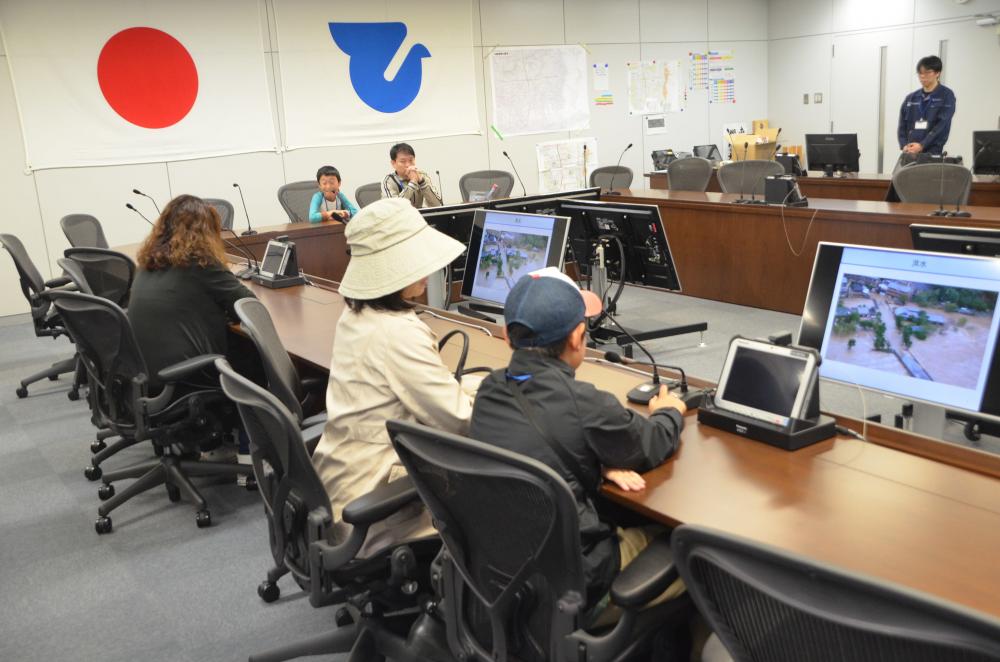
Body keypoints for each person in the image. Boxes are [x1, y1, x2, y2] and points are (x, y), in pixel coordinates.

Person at [468, 267, 687, 616]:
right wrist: (669, 411)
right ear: (577, 337)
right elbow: (652, 444)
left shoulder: (489, 391)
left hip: (503, 577)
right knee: (693, 553)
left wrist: (596, 464)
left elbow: (540, 446)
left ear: (507, 338)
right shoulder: (584, 404)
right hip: (575, 584)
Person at [312, 197, 473, 555]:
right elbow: (459, 420)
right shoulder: (398, 333)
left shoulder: (357, 316)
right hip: (378, 503)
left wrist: (476, 386)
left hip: (341, 482)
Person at [128, 194, 257, 391]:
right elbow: (249, 306)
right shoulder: (201, 263)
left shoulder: (147, 264)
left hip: (147, 375)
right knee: (256, 351)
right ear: (207, 233)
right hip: (189, 377)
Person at [897, 55, 956, 156]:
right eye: (920, 73)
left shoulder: (946, 95)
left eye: (927, 72)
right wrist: (904, 145)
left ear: (938, 73)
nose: (923, 76)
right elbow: (902, 125)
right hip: (910, 152)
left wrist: (922, 145)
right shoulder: (911, 98)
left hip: (932, 153)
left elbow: (941, 125)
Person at [380, 142, 442, 208]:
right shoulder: (388, 181)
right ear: (393, 163)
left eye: (411, 160)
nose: (408, 165)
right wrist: (412, 183)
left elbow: (437, 204)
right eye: (403, 161)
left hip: (418, 216)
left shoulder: (422, 176)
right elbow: (395, 208)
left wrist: (422, 182)